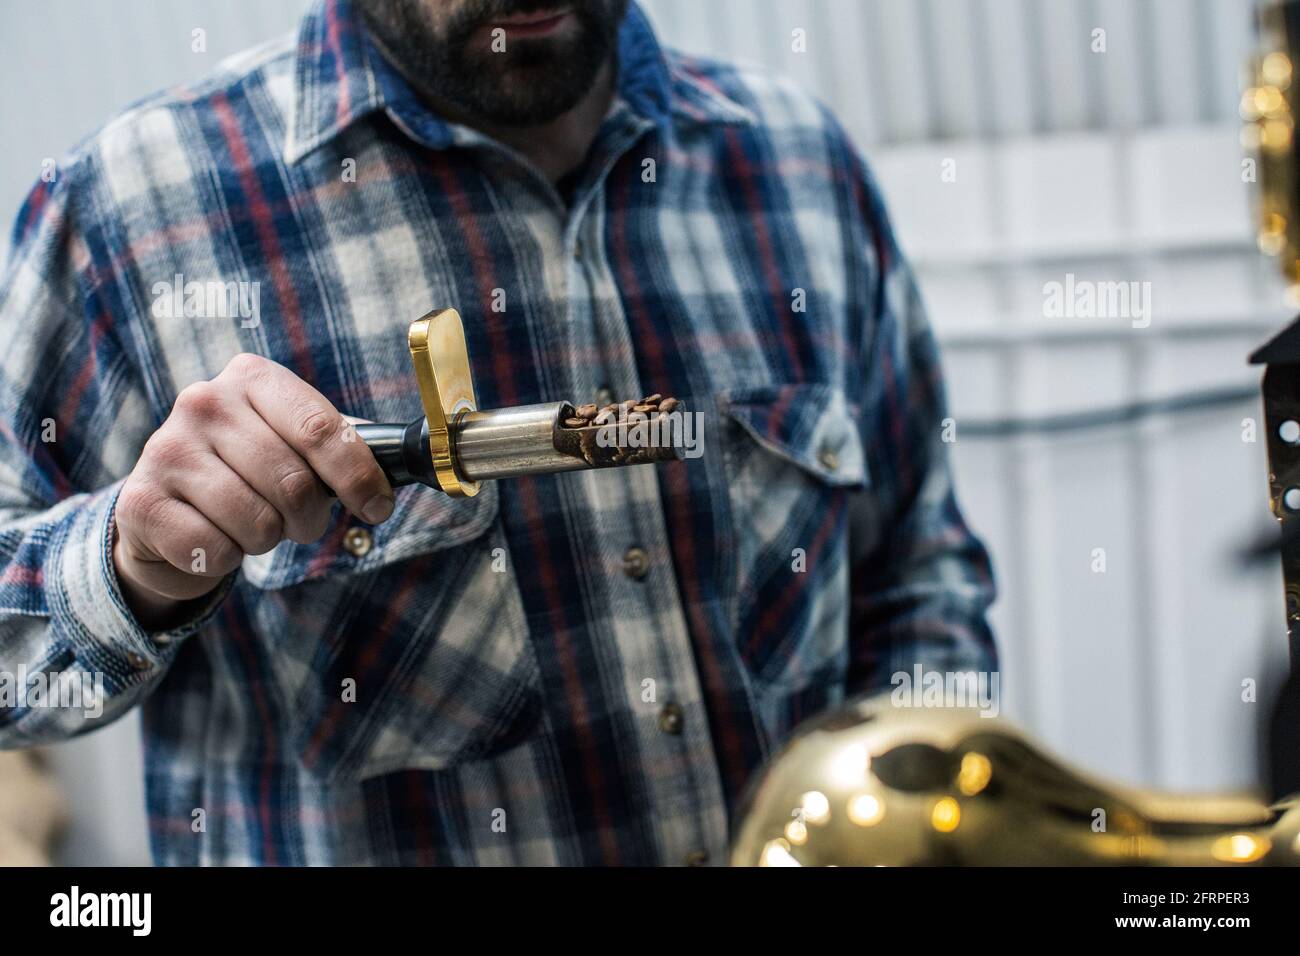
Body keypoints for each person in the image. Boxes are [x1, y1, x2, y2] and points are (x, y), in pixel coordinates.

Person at [0, 0, 996, 865]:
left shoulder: (796, 163)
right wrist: (132, 564)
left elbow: (918, 565)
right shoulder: (129, 208)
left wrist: (918, 808)